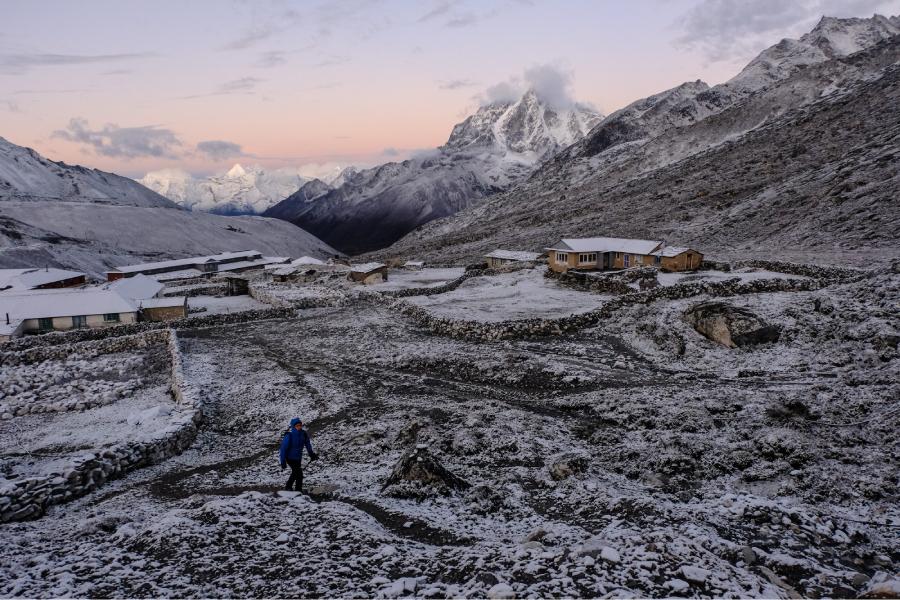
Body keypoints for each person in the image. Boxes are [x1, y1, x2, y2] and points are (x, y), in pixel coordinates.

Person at [279, 417, 318, 492]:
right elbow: (283, 449)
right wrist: (283, 461)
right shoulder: (289, 436)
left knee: (295, 473)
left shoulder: (303, 434)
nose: (299, 427)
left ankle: (289, 487)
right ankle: (297, 490)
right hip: (290, 458)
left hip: (298, 458)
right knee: (299, 474)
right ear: (293, 426)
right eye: (297, 426)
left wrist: (311, 454)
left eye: (300, 425)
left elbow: (307, 444)